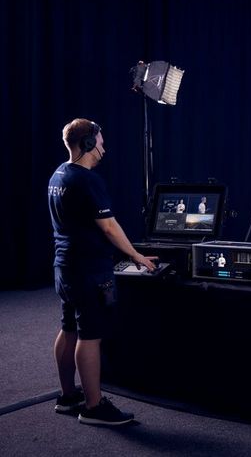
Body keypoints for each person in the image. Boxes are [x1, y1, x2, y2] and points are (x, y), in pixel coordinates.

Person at [48, 118, 157, 425]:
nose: (104, 147)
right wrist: (135, 255)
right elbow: (108, 227)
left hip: (65, 266)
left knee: (69, 327)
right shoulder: (86, 179)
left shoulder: (59, 174)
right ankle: (94, 407)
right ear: (87, 144)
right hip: (87, 269)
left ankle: (69, 397)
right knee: (90, 335)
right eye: (101, 141)